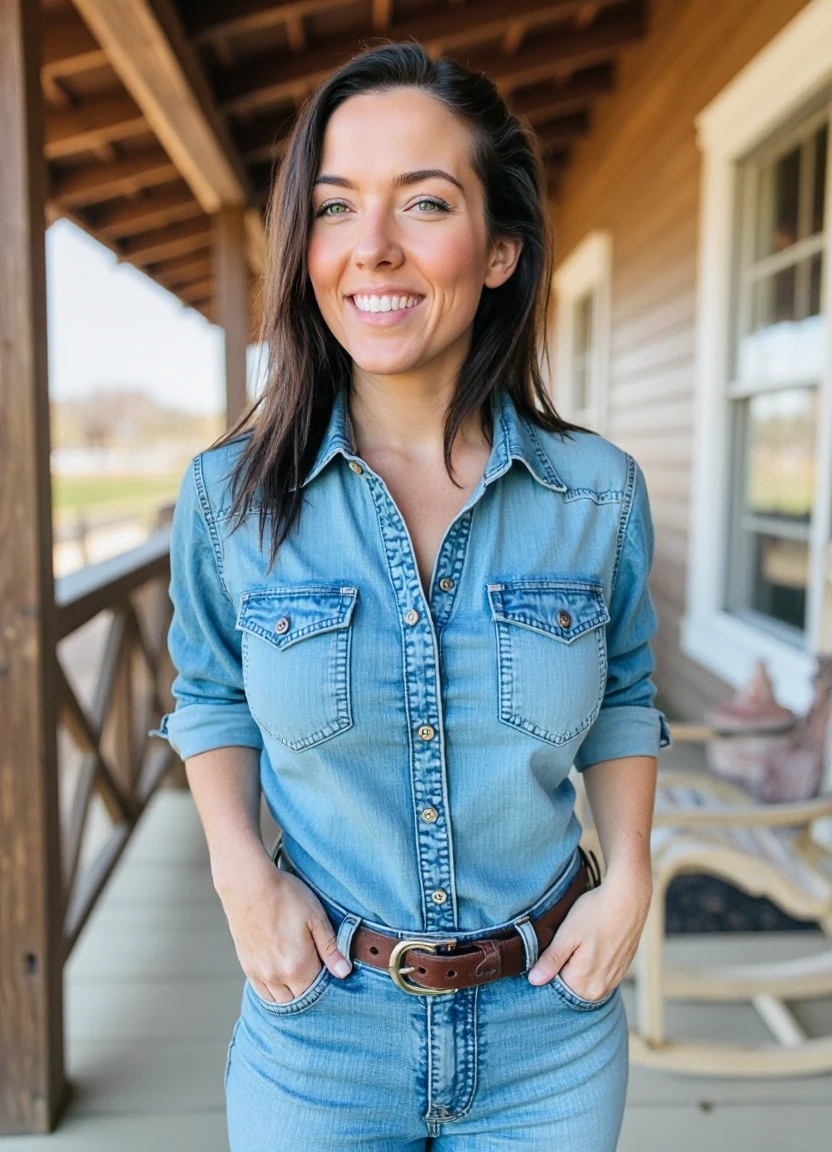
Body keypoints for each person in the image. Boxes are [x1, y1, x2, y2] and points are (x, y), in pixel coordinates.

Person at [152, 40, 671, 1152]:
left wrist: (630, 873)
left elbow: (626, 695)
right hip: (320, 1025)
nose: (372, 245)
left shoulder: (597, 494)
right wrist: (240, 877)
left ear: (500, 250)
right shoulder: (228, 499)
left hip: (550, 1024)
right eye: (335, 207)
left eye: (425, 202)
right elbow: (210, 695)